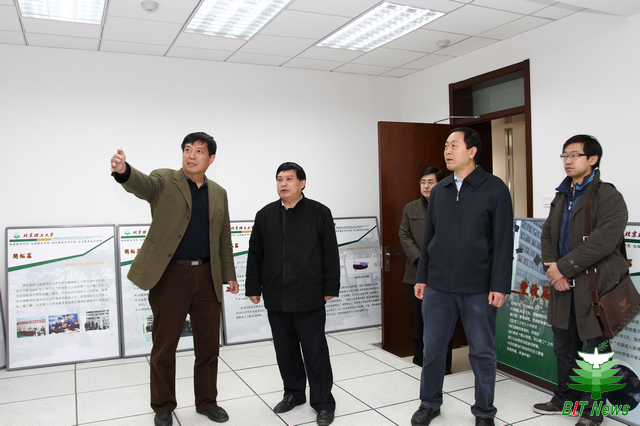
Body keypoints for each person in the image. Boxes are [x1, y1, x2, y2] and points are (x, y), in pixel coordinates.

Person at [110, 132, 239, 426]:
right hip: (171, 276)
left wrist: (229, 274)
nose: (191, 155)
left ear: (211, 158)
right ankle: (163, 406)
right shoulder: (165, 180)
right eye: (187, 149)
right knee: (164, 347)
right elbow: (143, 185)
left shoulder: (218, 193)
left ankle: (207, 402)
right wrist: (124, 171)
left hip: (207, 277)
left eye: (199, 151)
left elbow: (223, 237)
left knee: (209, 347)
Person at [411, 127, 514, 426]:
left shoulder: (494, 188)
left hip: (478, 287)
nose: (447, 150)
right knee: (433, 350)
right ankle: (429, 403)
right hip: (438, 287)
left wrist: (499, 285)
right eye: (446, 145)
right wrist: (422, 277)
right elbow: (430, 237)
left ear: (472, 151)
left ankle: (484, 411)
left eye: (454, 145)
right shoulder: (440, 190)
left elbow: (503, 242)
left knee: (481, 352)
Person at [533, 135, 628, 426]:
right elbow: (547, 234)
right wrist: (553, 269)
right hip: (563, 286)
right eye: (565, 156)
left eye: (574, 155)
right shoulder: (563, 194)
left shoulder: (607, 195)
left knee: (595, 351)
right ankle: (566, 398)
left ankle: (593, 411)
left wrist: (563, 268)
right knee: (563, 346)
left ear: (593, 159)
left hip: (594, 286)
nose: (568, 161)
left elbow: (603, 242)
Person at [245, 162, 340, 426]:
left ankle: (323, 402)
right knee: (285, 351)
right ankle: (294, 393)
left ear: (302, 183)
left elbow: (330, 253)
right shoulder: (265, 215)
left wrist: (330, 288)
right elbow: (255, 254)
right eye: (279, 179)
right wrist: (253, 287)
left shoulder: (319, 213)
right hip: (276, 296)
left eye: (289, 178)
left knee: (315, 352)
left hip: (309, 296)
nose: (283, 183)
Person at [398, 166, 453, 369]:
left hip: (443, 273)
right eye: (423, 182)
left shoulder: (450, 206)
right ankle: (419, 362)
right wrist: (420, 258)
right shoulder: (410, 208)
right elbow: (404, 235)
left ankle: (444, 366)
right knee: (420, 321)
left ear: (441, 184)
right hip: (416, 273)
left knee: (443, 322)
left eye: (431, 182)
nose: (426, 186)